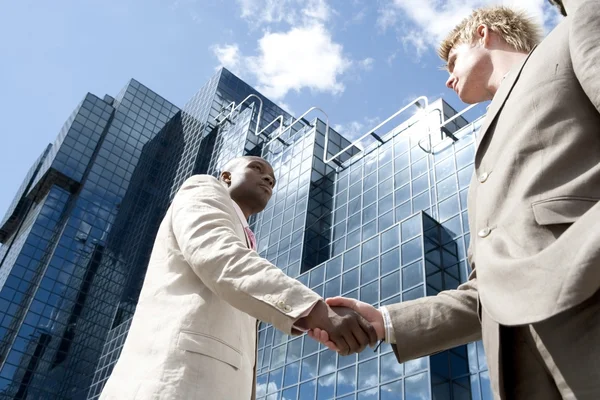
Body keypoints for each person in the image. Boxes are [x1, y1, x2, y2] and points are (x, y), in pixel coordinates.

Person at [311, 2, 600, 399]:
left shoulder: (570, 36)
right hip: (520, 365)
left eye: (453, 61)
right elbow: (489, 288)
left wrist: (583, 255)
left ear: (484, 34)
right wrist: (384, 322)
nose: (448, 79)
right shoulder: (483, 149)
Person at [100, 156, 377, 400]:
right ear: (226, 177)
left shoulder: (247, 241)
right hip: (175, 381)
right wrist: (316, 311)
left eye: (272, 178)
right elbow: (219, 257)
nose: (268, 177)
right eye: (257, 168)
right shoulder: (202, 187)